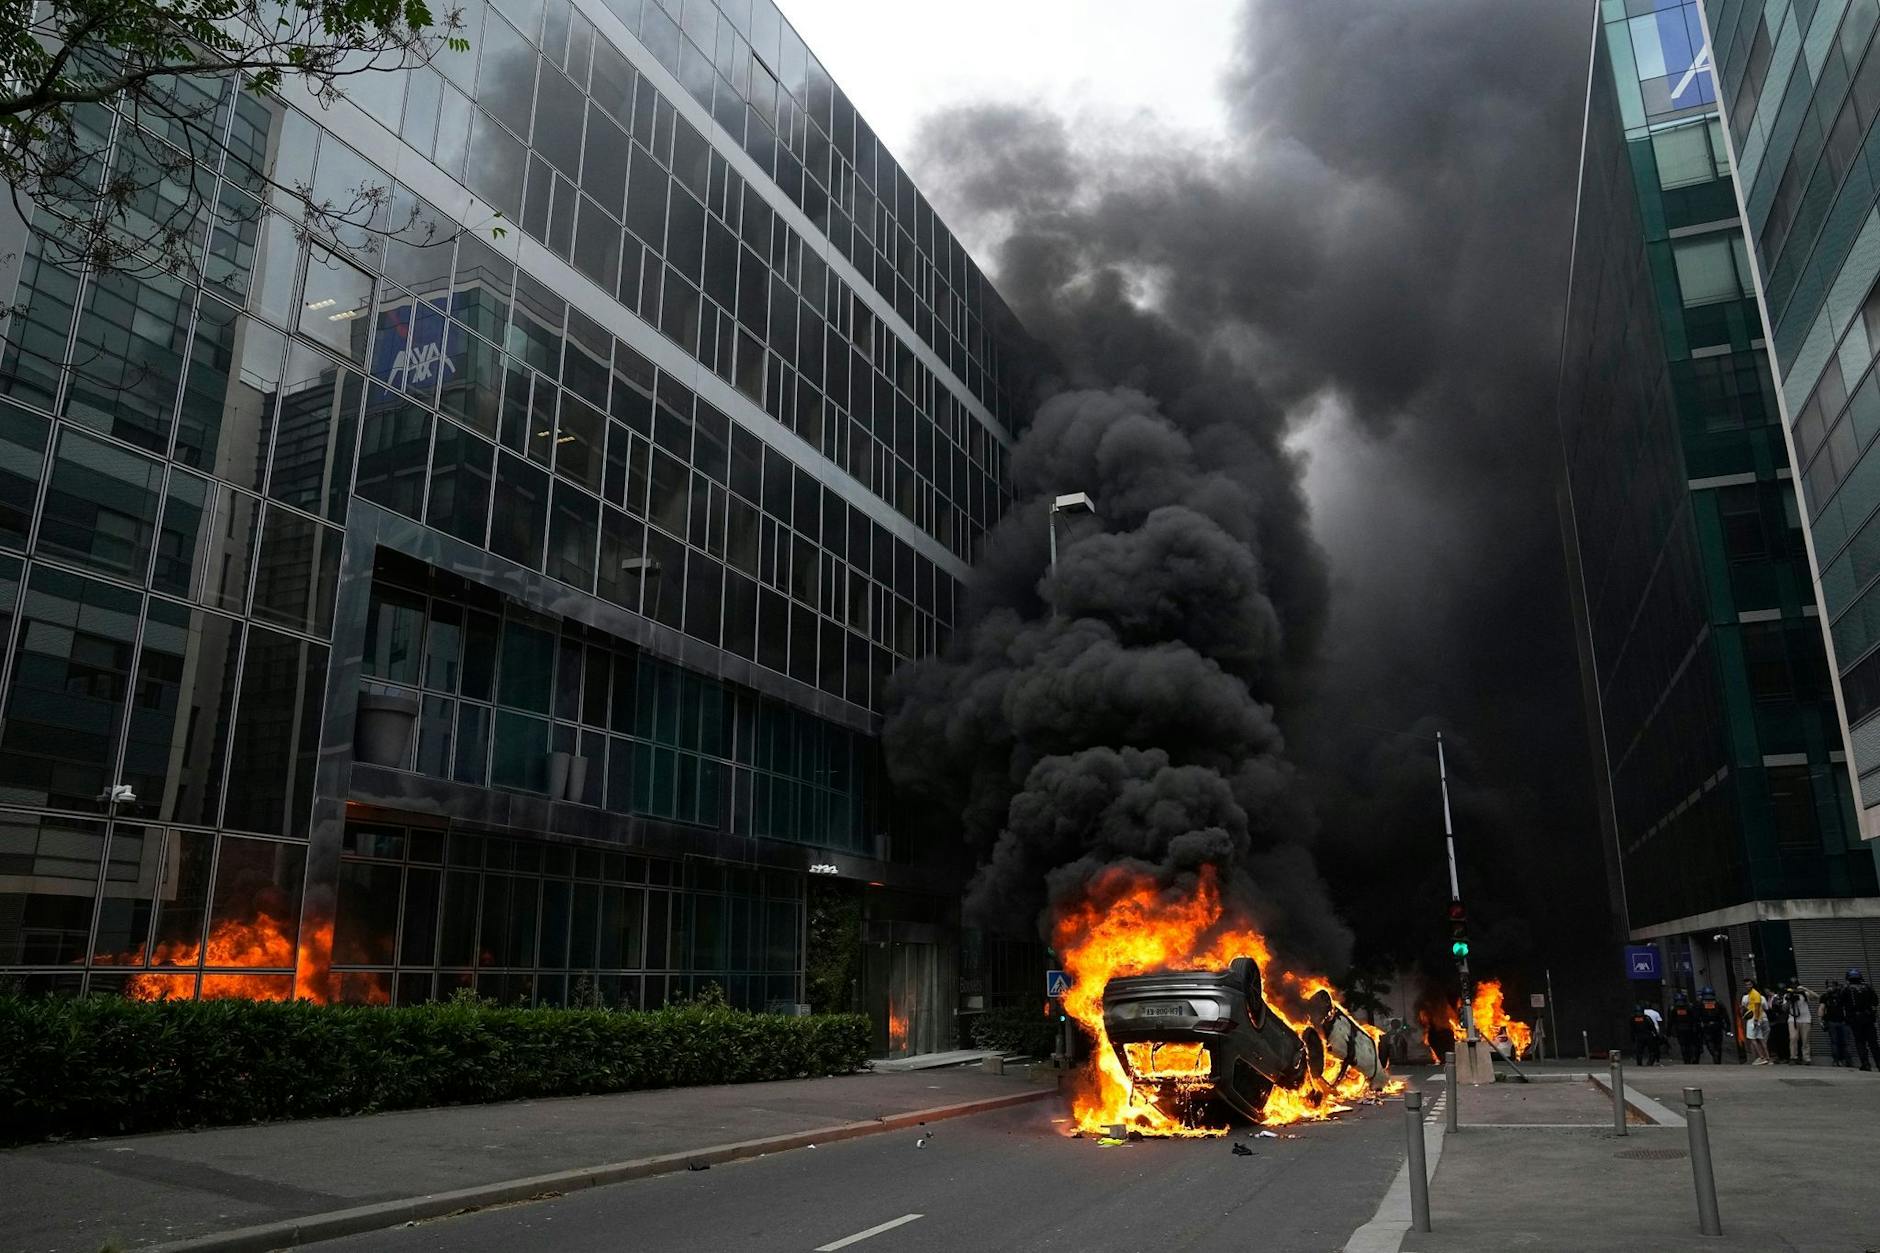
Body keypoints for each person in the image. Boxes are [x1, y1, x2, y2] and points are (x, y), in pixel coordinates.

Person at [1847, 969, 1880, 1071]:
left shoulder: (1847, 989)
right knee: (1873, 1043)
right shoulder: (1868, 987)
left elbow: (1841, 1003)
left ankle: (1865, 1064)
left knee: (1860, 1042)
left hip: (1855, 1019)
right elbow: (1875, 1002)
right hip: (1868, 1018)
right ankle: (1879, 1064)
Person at [1780, 981, 1816, 1065]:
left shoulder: (1804, 994)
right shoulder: (1787, 995)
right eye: (1793, 987)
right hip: (1793, 1019)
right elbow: (1784, 1009)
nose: (1794, 989)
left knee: (1805, 1039)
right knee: (1793, 1038)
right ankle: (1793, 1057)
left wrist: (1805, 989)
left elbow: (1816, 997)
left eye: (1796, 987)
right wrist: (1789, 999)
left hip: (1805, 1019)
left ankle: (1806, 1058)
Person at [1821, 978, 1853, 1068]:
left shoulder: (1828, 996)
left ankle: (1840, 1061)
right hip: (1839, 1021)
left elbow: (1822, 1008)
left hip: (1838, 1021)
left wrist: (1821, 1020)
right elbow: (1822, 1008)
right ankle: (1844, 1061)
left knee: (1838, 1042)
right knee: (1843, 1042)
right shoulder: (1839, 994)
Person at [1741, 979, 1772, 1065]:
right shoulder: (1750, 994)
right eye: (1746, 985)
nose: (1747, 986)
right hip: (1756, 1018)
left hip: (1754, 1018)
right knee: (1761, 1039)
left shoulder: (1755, 994)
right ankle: (1767, 1058)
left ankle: (1761, 1057)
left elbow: (1757, 1008)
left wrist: (1755, 1020)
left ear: (1753, 985)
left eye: (1749, 984)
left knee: (1752, 1039)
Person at [1696, 986, 1727, 1062]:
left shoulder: (1701, 1004)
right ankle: (1717, 1058)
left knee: (1709, 1042)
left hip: (1707, 1026)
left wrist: (1698, 1026)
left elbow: (1696, 1016)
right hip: (1718, 1025)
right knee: (1718, 1043)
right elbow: (1725, 1015)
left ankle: (1714, 1054)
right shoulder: (1718, 1002)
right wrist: (1727, 1027)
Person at [1669, 991, 1701, 1064]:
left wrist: (1669, 1031)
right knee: (1691, 1044)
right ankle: (1692, 1058)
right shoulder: (1689, 1007)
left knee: (1683, 1045)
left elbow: (1671, 1021)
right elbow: (1695, 1018)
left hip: (1680, 1029)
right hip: (1690, 1029)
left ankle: (1686, 1060)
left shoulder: (1674, 1009)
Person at [1629, 1002, 1660, 1067]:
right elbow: (1652, 1027)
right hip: (1647, 1035)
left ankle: (1640, 1063)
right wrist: (1656, 1035)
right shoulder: (1646, 1018)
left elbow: (1632, 1029)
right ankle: (1649, 1063)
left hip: (1640, 1036)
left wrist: (1632, 1038)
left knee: (1639, 1051)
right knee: (1651, 1050)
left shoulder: (1633, 1018)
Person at [1766, 983, 1790, 1062]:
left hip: (1782, 1021)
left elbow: (1783, 1009)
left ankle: (1786, 1056)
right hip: (1775, 1021)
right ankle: (1780, 1056)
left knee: (1784, 1039)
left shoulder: (1782, 997)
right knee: (1777, 1040)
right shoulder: (1772, 998)